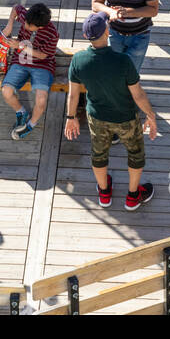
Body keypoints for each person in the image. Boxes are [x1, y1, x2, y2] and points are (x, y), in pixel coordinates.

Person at [65, 12, 158, 211]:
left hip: (97, 117)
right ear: (107, 32)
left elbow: (73, 95)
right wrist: (151, 115)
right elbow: (138, 95)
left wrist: (71, 118)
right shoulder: (123, 61)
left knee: (99, 154)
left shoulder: (78, 60)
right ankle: (133, 196)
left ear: (85, 36)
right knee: (135, 154)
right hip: (125, 117)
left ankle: (104, 192)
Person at [0, 1, 59, 140]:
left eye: (28, 25)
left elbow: (43, 55)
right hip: (20, 60)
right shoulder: (28, 17)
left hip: (42, 64)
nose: (25, 25)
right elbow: (15, 7)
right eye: (25, 22)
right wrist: (9, 25)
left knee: (41, 99)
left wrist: (20, 46)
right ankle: (21, 112)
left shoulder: (52, 34)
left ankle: (31, 124)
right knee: (6, 91)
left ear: (41, 26)